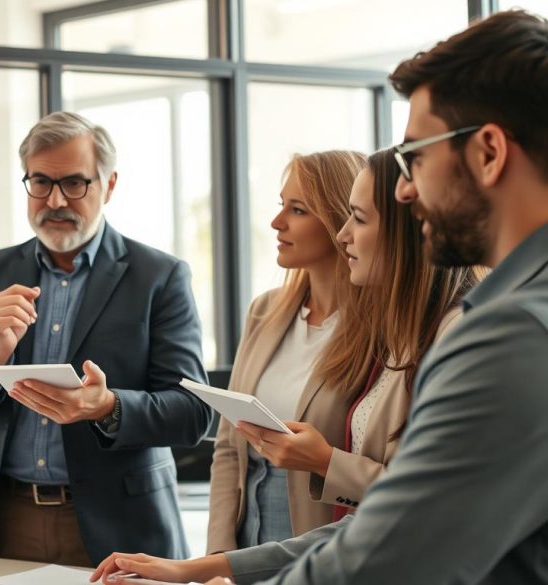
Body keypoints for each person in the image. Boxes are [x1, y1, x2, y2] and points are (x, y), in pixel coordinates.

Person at [100, 9, 548, 584]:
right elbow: (384, 528)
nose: (406, 190)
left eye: (416, 157)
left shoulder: (508, 334)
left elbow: (394, 556)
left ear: (488, 152)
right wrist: (207, 569)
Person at [0, 111, 212, 566]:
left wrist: (108, 406)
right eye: (40, 182)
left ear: (109, 185)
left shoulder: (160, 277)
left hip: (120, 528)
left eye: (74, 184)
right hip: (2, 522)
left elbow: (193, 414)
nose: (55, 200)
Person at [233, 149, 481, 519]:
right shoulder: (407, 333)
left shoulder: (449, 335)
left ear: (407, 233)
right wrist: (217, 561)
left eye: (358, 218)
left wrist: (326, 461)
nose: (344, 234)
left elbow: (435, 500)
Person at [208, 151, 364, 553]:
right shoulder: (265, 310)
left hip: (322, 539)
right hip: (246, 532)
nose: (277, 223)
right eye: (281, 206)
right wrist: (216, 556)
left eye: (297, 210)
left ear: (339, 220)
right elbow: (229, 447)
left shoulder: (378, 330)